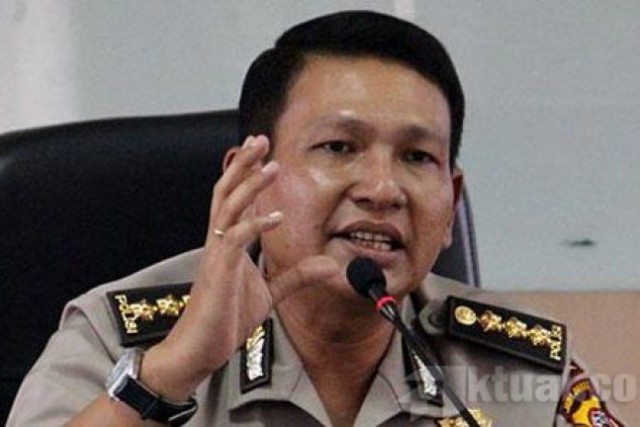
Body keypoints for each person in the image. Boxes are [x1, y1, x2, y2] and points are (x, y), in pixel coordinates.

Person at [8, 10, 625, 427]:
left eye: (417, 157)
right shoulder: (119, 340)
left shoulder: (522, 373)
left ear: (450, 207)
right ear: (249, 180)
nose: (382, 189)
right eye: (339, 147)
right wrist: (171, 374)